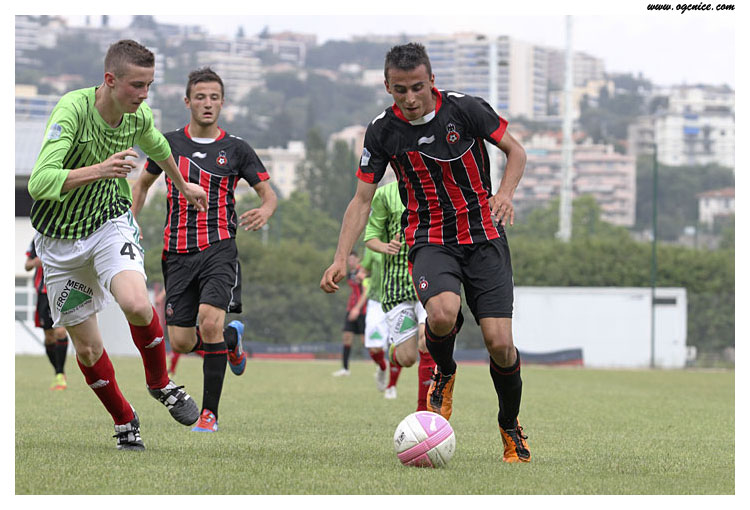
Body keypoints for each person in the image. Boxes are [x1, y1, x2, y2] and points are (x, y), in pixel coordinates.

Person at [320, 42, 530, 463]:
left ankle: (509, 425)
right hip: (429, 236)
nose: (411, 98)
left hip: (484, 237)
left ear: (431, 80)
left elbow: (516, 151)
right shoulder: (382, 131)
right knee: (442, 313)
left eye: (417, 87)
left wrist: (505, 193)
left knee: (500, 344)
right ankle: (445, 372)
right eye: (400, 90)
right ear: (388, 87)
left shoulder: (466, 109)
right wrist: (341, 257)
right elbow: (361, 200)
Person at [27, 39, 207, 451]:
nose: (144, 95)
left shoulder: (137, 116)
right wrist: (100, 169)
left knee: (137, 303)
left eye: (149, 85)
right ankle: (125, 419)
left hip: (110, 223)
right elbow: (39, 182)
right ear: (110, 80)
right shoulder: (72, 111)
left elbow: (160, 148)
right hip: (60, 244)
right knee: (89, 350)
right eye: (136, 86)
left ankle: (160, 383)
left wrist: (183, 185)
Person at [131, 67, 277, 433]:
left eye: (214, 97)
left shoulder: (237, 149)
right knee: (181, 342)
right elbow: (142, 184)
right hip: (176, 251)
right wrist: (130, 221)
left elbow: (268, 195)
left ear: (222, 102)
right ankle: (231, 340)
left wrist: (265, 210)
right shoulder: (167, 144)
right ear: (187, 102)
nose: (207, 103)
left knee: (210, 322)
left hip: (219, 248)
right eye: (200, 97)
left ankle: (209, 415)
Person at [363, 179, 431, 405]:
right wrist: (385, 247)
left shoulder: (434, 188)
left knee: (427, 340)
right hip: (397, 289)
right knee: (408, 358)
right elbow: (370, 236)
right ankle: (394, 352)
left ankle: (424, 411)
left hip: (427, 281)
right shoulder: (385, 194)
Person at [25, 240, 69, 390]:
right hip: (43, 294)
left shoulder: (65, 237)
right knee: (49, 337)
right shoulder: (37, 240)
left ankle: (60, 374)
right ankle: (58, 372)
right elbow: (27, 266)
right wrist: (35, 262)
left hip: (60, 290)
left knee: (60, 332)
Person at [358, 247, 390, 394]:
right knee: (374, 347)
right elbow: (364, 269)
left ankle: (392, 387)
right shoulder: (372, 245)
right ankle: (382, 367)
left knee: (401, 350)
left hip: (398, 299)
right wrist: (361, 274)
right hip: (376, 302)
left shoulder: (404, 242)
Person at [331, 252, 367, 377]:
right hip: (351, 309)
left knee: (366, 341)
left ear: (358, 259)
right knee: (346, 336)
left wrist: (357, 308)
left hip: (362, 310)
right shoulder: (349, 273)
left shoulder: (362, 272)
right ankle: (345, 369)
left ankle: (381, 366)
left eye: (353, 259)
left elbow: (365, 292)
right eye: (349, 259)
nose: (350, 262)